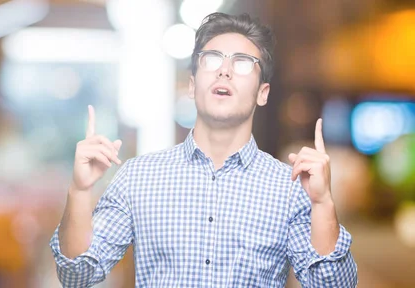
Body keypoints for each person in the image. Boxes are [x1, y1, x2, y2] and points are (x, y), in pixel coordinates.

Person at [49, 12, 357, 287]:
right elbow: (78, 275)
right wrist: (79, 191)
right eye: (212, 59)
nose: (224, 70)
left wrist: (323, 203)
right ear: (192, 85)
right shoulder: (138, 177)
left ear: (263, 93)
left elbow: (333, 285)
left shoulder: (289, 187)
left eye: (242, 62)